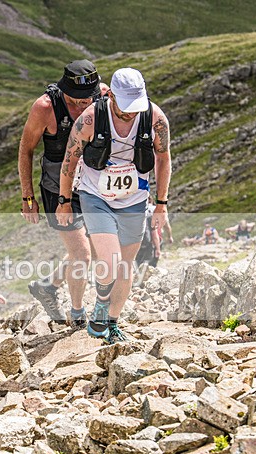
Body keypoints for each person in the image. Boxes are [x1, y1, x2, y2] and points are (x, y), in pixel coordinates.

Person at [57, 67, 171, 344]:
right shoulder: (90, 119)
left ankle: (111, 322)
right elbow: (70, 160)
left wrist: (161, 204)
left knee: (125, 266)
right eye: (125, 106)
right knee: (110, 260)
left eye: (135, 106)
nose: (131, 113)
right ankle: (101, 303)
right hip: (95, 195)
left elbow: (163, 159)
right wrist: (64, 201)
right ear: (111, 97)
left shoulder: (155, 119)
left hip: (135, 199)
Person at [19, 59, 109, 326]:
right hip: (56, 190)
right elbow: (26, 149)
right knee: (82, 255)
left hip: (91, 185)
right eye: (78, 99)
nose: (85, 104)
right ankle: (78, 316)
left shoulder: (103, 95)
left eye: (89, 97)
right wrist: (28, 196)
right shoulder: (45, 107)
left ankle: (47, 286)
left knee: (94, 248)